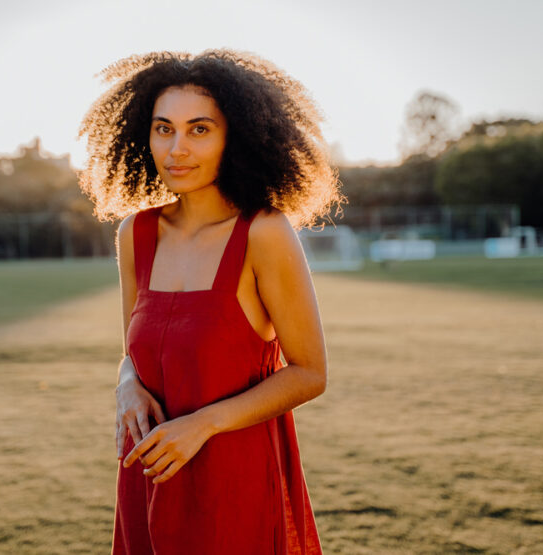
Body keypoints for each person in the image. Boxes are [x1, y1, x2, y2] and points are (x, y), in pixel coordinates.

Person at [77, 49, 345, 555]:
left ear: (234, 138)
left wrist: (203, 424)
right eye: (163, 129)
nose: (177, 148)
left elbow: (309, 372)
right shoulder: (137, 232)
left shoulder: (263, 232)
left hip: (235, 480)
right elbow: (132, 353)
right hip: (151, 472)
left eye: (199, 129)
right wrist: (126, 387)